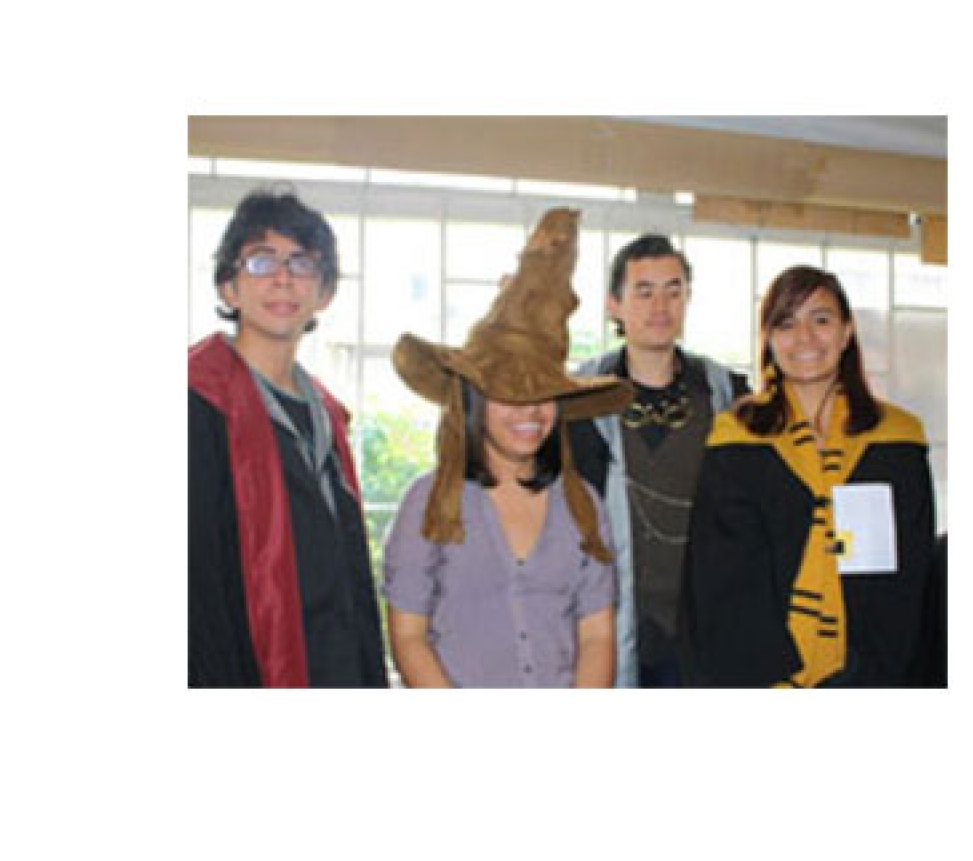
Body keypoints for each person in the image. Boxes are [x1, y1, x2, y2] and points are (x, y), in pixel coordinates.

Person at [383, 208, 633, 688]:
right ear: (475, 401)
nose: (530, 411)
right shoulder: (429, 501)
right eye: (509, 394)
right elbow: (409, 634)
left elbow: (597, 635)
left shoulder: (583, 506)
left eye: (543, 394)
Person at [681, 266, 939, 687]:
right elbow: (722, 583)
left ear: (846, 331)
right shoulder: (735, 441)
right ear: (769, 339)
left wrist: (865, 677)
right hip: (757, 676)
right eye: (786, 323)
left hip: (873, 674)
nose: (804, 338)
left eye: (820, 320)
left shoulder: (897, 442)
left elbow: (908, 579)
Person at [188, 189, 387, 688]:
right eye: (261, 261)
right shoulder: (196, 403)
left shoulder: (328, 417)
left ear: (324, 294)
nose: (283, 278)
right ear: (229, 289)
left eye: (302, 263)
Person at [569, 236, 749, 687]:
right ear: (614, 304)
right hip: (604, 619)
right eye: (644, 291)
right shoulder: (577, 398)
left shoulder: (726, 393)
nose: (660, 306)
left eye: (673, 290)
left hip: (706, 619)